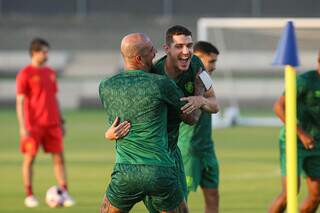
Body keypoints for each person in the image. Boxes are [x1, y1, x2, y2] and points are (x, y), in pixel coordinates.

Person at [105, 26, 219, 212]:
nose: (186, 52)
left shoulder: (197, 65)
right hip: (155, 153)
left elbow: (215, 104)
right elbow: (133, 109)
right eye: (179, 46)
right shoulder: (153, 74)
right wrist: (110, 132)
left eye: (189, 46)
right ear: (167, 49)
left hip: (172, 152)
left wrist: (201, 100)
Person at [16, 38, 74, 208]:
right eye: (43, 51)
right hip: (33, 126)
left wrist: (61, 121)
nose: (46, 54)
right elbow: (20, 102)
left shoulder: (50, 72)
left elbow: (54, 98)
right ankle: (30, 194)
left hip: (52, 123)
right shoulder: (25, 74)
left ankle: (64, 191)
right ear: (34, 52)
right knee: (29, 158)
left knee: (59, 158)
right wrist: (22, 126)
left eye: (47, 51)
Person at [269, 51, 320, 213]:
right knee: (290, 193)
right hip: (294, 141)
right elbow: (279, 107)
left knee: (316, 195)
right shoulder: (304, 81)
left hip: (317, 143)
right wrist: (301, 133)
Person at [178, 41, 220, 213]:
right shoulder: (184, 78)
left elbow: (215, 106)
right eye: (211, 61)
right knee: (181, 199)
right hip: (188, 148)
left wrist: (202, 101)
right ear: (197, 57)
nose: (214, 66)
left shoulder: (205, 79)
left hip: (207, 148)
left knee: (213, 196)